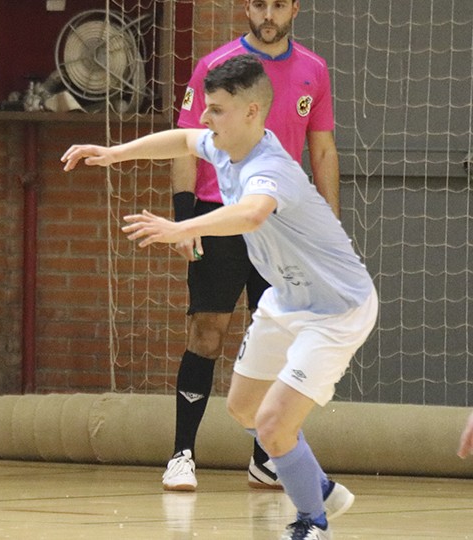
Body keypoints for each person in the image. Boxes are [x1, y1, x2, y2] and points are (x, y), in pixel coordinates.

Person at [62, 53, 372, 540]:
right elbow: (183, 139)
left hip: (334, 309)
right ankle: (319, 484)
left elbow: (249, 216)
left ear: (252, 112)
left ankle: (314, 522)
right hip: (286, 300)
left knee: (271, 425)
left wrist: (180, 226)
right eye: (206, 107)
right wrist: (114, 153)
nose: (205, 118)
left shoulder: (270, 168)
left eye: (218, 109)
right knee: (244, 409)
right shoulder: (226, 143)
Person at [165, 0, 340, 492]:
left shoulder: (314, 71)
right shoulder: (213, 66)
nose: (268, 14)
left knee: (279, 340)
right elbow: (185, 143)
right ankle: (182, 455)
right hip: (217, 215)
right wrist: (184, 221)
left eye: (278, 5)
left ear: (295, 9)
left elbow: (322, 150)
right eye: (259, 4)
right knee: (207, 332)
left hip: (282, 225)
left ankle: (266, 458)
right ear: (246, 7)